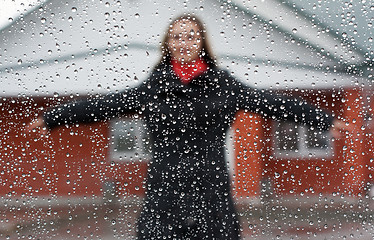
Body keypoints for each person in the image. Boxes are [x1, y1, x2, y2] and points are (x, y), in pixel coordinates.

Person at [29, 14, 346, 240]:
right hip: (163, 191)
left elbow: (270, 102)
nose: (184, 41)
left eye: (191, 35)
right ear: (168, 43)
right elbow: (104, 105)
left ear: (201, 42)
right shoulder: (152, 89)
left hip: (211, 190)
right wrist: (53, 118)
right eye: (177, 36)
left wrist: (323, 120)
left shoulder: (223, 86)